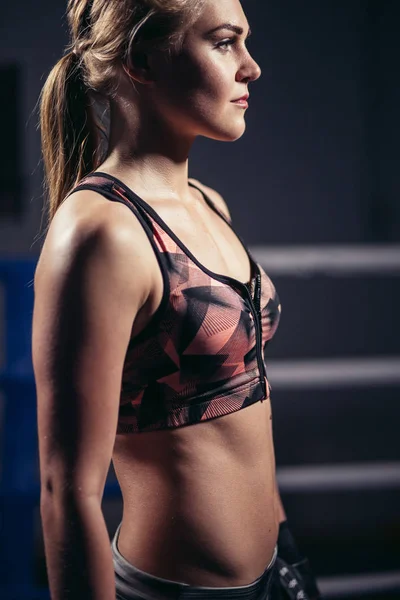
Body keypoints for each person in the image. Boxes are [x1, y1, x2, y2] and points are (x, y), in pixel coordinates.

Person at [33, 0, 322, 598]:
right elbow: (69, 490)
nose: (252, 67)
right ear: (141, 60)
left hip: (275, 573)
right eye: (224, 42)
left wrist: (288, 554)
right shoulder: (100, 233)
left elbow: (248, 400)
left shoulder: (209, 203)